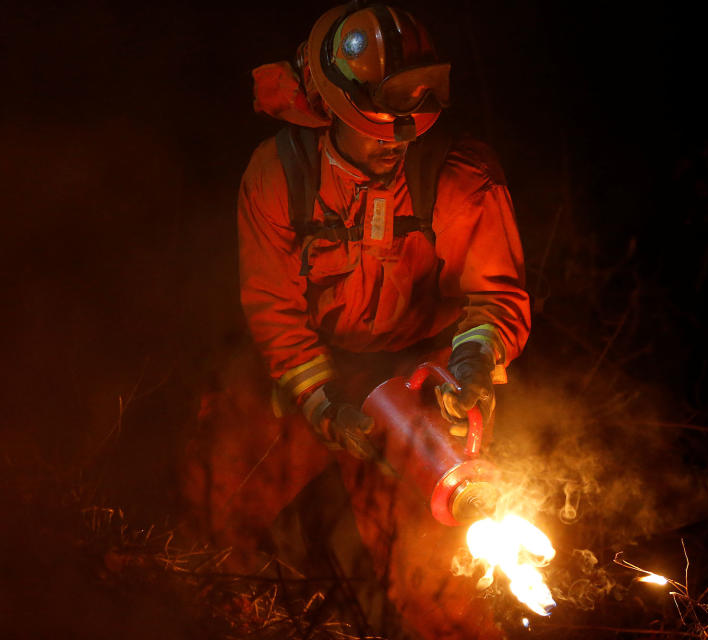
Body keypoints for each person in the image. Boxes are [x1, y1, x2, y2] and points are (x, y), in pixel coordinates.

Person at [180, 3, 530, 638]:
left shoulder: (461, 175)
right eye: (375, 129)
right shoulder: (279, 174)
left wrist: (475, 360)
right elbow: (273, 309)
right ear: (331, 110)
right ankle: (209, 609)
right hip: (313, 367)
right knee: (213, 507)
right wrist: (320, 402)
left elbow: (495, 298)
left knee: (440, 571)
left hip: (420, 377)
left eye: (409, 128)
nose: (395, 143)